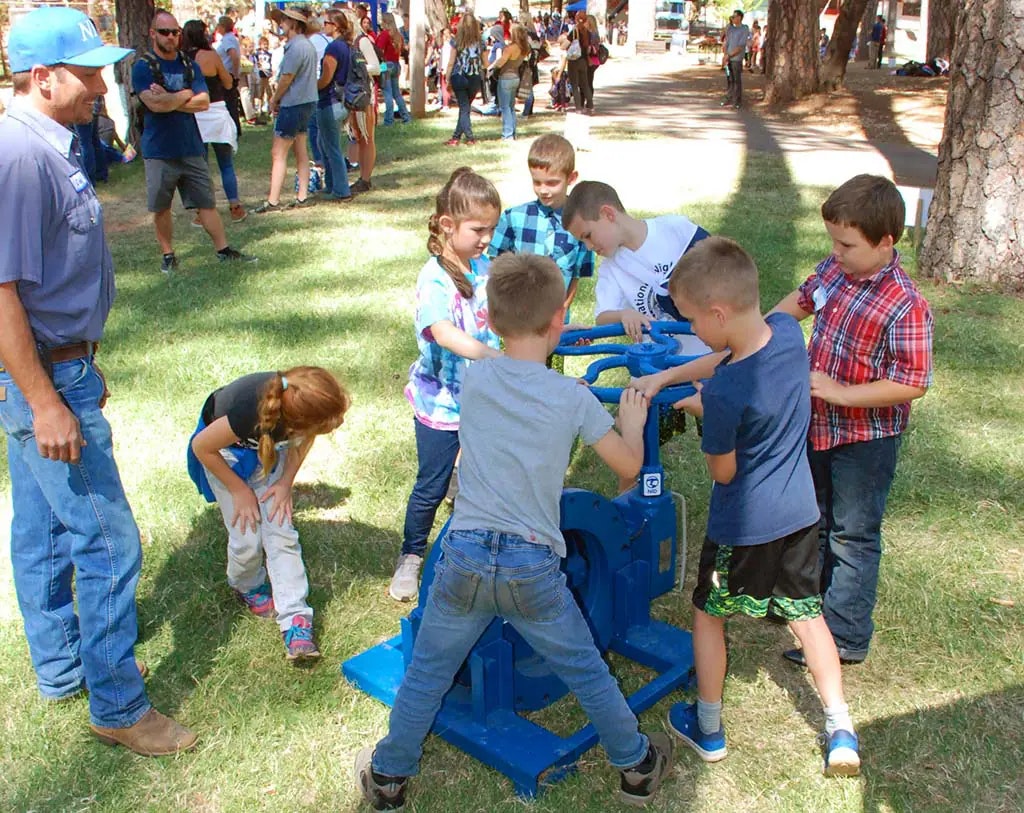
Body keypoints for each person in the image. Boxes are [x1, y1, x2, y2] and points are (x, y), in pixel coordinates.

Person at [356, 253, 674, 810]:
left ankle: (388, 776)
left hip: (463, 558)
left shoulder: (476, 379)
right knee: (585, 670)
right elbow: (626, 467)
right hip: (533, 567)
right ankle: (637, 766)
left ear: (493, 320)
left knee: (428, 671)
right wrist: (633, 423)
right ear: (559, 318)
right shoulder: (573, 397)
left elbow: (509, 358)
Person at [0, 6, 197, 756]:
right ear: (44, 79)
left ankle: (59, 668)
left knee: (43, 527)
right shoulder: (21, 157)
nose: (100, 86)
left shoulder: (47, 144)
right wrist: (49, 397)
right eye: (86, 74)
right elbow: (4, 292)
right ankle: (117, 702)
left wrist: (76, 361)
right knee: (108, 538)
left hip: (55, 368)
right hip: (45, 381)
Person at [639, 237, 861, 777]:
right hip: (801, 517)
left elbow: (723, 471)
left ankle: (707, 727)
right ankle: (840, 729)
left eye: (693, 320)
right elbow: (732, 355)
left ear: (717, 313)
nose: (692, 332)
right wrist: (675, 376)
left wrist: (698, 410)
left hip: (742, 527)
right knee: (808, 619)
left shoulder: (724, 396)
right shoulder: (786, 334)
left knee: (708, 615)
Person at [769, 175, 933, 666]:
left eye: (846, 244)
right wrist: (763, 330)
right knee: (811, 517)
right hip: (817, 426)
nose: (836, 252)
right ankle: (806, 604)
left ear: (886, 242)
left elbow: (914, 380)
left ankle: (845, 634)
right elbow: (800, 301)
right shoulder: (835, 272)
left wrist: (844, 393)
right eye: (832, 241)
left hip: (866, 440)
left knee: (852, 534)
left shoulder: (906, 304)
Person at [388, 168, 503, 602]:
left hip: (482, 401)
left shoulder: (486, 268)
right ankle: (411, 558)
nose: (486, 238)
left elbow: (514, 308)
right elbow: (440, 330)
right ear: (448, 226)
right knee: (431, 485)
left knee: (484, 477)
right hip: (441, 405)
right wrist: (490, 354)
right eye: (478, 230)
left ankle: (474, 551)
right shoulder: (433, 277)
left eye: (492, 229)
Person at [188, 368, 350, 661]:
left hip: (268, 457)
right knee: (247, 538)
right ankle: (246, 585)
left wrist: (285, 483)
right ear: (293, 419)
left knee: (282, 534)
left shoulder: (296, 416)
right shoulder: (249, 411)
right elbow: (203, 447)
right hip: (226, 458)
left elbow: (302, 442)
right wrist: (239, 491)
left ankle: (295, 619)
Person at [131, 10, 255, 273]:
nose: (171, 37)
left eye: (175, 32)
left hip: (191, 146)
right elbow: (153, 103)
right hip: (159, 149)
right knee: (161, 206)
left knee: (206, 202)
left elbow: (203, 101)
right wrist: (185, 95)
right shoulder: (143, 67)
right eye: (164, 32)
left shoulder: (189, 65)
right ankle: (168, 255)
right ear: (153, 33)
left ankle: (223, 250)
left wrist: (172, 96)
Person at [562, 180, 711, 355]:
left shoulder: (675, 229)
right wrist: (624, 315)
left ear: (608, 214)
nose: (588, 247)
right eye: (582, 241)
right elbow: (602, 318)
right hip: (655, 363)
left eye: (588, 236)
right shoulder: (611, 269)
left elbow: (720, 265)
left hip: (704, 354)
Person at [487, 134, 593, 323]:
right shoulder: (514, 218)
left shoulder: (583, 224)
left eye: (552, 183)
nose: (543, 190)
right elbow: (495, 265)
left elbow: (577, 274)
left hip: (557, 322)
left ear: (571, 178)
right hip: (517, 319)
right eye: (537, 182)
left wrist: (562, 311)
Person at [253, 5, 319, 213]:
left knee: (278, 153)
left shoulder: (295, 47)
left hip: (293, 103)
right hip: (307, 101)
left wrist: (274, 99)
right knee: (301, 148)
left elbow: (286, 78)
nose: (280, 24)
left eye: (283, 20)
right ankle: (302, 196)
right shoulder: (307, 45)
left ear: (293, 23)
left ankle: (273, 200)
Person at [182, 19, 247, 224]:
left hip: (194, 114)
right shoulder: (211, 56)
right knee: (226, 164)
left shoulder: (182, 59)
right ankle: (235, 206)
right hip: (216, 110)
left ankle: (203, 211)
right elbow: (228, 83)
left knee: (200, 168)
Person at [315, 9, 354, 202]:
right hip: (341, 101)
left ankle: (341, 189)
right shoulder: (346, 47)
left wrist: (310, 86)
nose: (324, 27)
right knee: (325, 143)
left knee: (331, 147)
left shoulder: (333, 49)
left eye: (326, 23)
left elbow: (325, 79)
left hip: (329, 101)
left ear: (335, 25)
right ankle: (332, 184)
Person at [344, 7, 381, 194]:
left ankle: (365, 179)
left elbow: (376, 67)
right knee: (357, 136)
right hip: (353, 95)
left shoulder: (362, 41)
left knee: (367, 138)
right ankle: (362, 176)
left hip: (363, 95)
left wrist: (360, 69)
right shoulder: (349, 43)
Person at [443, 12, 487, 146]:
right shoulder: (481, 43)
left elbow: (451, 62)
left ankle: (469, 137)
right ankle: (456, 137)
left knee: (464, 107)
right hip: (474, 78)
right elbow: (485, 63)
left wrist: (447, 77)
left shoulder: (456, 41)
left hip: (459, 76)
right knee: (465, 107)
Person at [488, 21, 529, 140]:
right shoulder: (524, 48)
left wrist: (491, 67)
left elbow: (501, 61)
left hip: (505, 78)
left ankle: (507, 134)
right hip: (516, 77)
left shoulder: (510, 49)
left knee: (505, 107)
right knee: (511, 106)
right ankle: (513, 132)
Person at [376, 13, 412, 125]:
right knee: (396, 93)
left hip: (385, 64)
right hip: (396, 64)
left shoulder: (384, 35)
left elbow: (380, 52)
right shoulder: (398, 35)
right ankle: (406, 117)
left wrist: (379, 66)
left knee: (387, 93)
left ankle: (389, 120)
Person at [214, 15, 243, 136]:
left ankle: (233, 128)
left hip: (228, 74)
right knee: (229, 102)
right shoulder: (229, 39)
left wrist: (235, 74)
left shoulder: (227, 40)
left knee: (229, 102)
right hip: (228, 73)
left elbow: (234, 56)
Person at [563, 11, 594, 114]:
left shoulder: (574, 32)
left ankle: (578, 108)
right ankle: (590, 105)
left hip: (574, 61)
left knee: (574, 84)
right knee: (585, 84)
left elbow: (564, 45)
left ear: (576, 19)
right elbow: (589, 49)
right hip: (584, 61)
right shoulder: (588, 33)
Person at [721, 10, 750, 109]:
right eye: (732, 16)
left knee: (736, 79)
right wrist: (725, 55)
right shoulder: (731, 28)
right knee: (729, 79)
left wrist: (730, 55)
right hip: (728, 57)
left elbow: (741, 46)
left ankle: (737, 100)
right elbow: (726, 40)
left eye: (735, 16)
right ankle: (729, 97)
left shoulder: (744, 29)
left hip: (736, 58)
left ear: (740, 17)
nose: (733, 18)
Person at [253, 36, 273, 116]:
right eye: (264, 44)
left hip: (268, 72)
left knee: (269, 92)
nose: (265, 46)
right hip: (261, 73)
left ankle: (269, 109)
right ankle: (259, 108)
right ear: (260, 45)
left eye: (266, 44)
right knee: (260, 91)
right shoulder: (257, 54)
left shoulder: (270, 54)